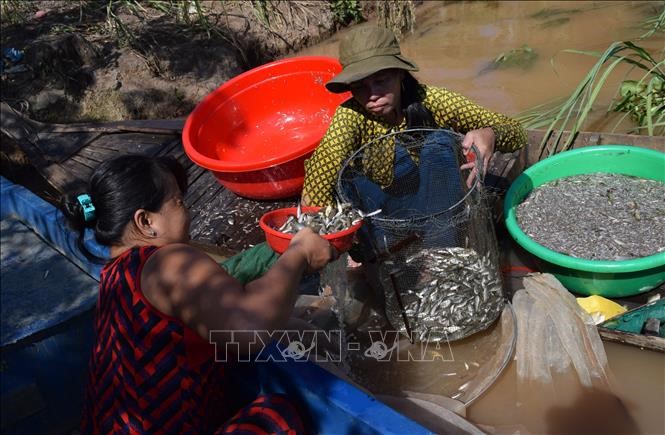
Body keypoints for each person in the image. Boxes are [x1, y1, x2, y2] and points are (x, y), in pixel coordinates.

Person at [62, 154, 336, 434]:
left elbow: (200, 330)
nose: (188, 211)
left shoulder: (114, 275)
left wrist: (290, 327)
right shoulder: (166, 262)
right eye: (178, 202)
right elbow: (249, 327)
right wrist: (299, 253)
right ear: (146, 221)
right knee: (277, 416)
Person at [301, 25, 528, 207]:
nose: (372, 95)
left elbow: (516, 133)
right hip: (380, 204)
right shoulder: (350, 116)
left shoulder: (433, 100)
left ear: (400, 74)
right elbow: (325, 164)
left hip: (437, 195)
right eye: (360, 87)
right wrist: (314, 227)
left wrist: (490, 133)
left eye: (381, 81)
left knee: (439, 144)